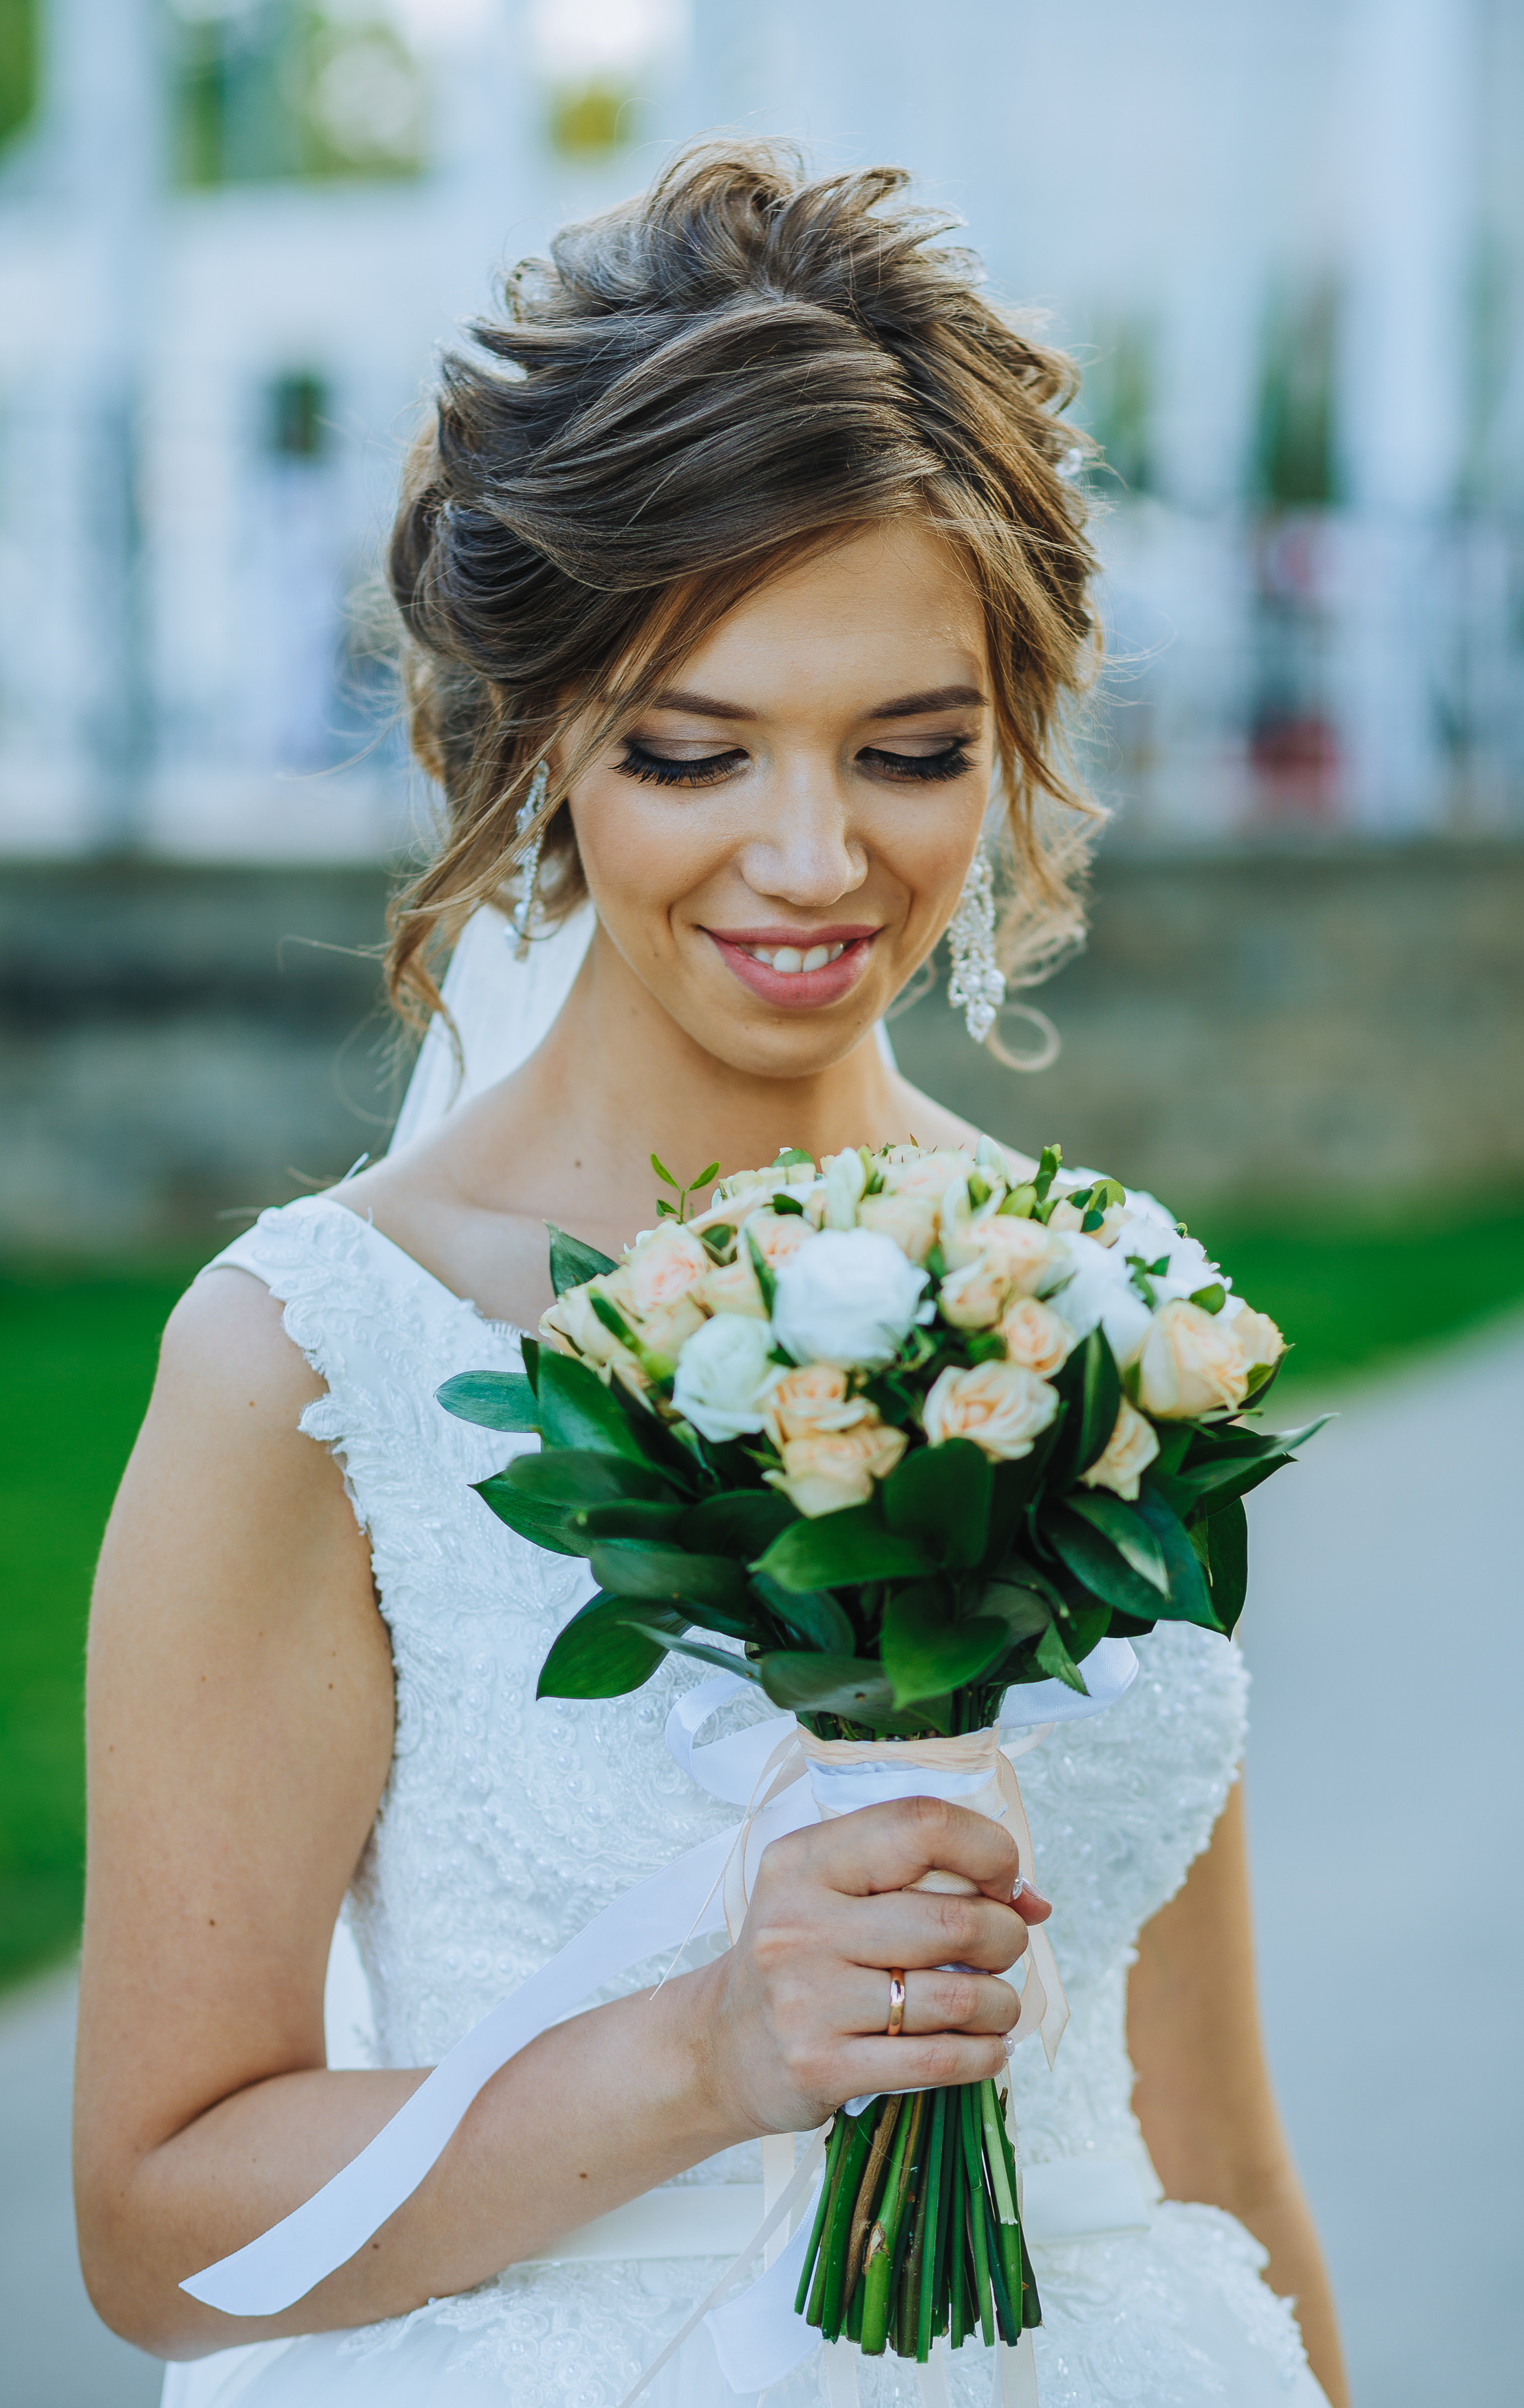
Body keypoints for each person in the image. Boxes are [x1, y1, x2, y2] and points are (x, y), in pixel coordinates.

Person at [74, 144, 1349, 2408]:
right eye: (694, 747)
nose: (811, 854)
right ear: (546, 731)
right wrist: (705, 2050)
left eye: (911, 748)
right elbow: (163, 2228)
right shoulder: (315, 1358)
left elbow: (1221, 2154)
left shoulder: (1095, 1320)